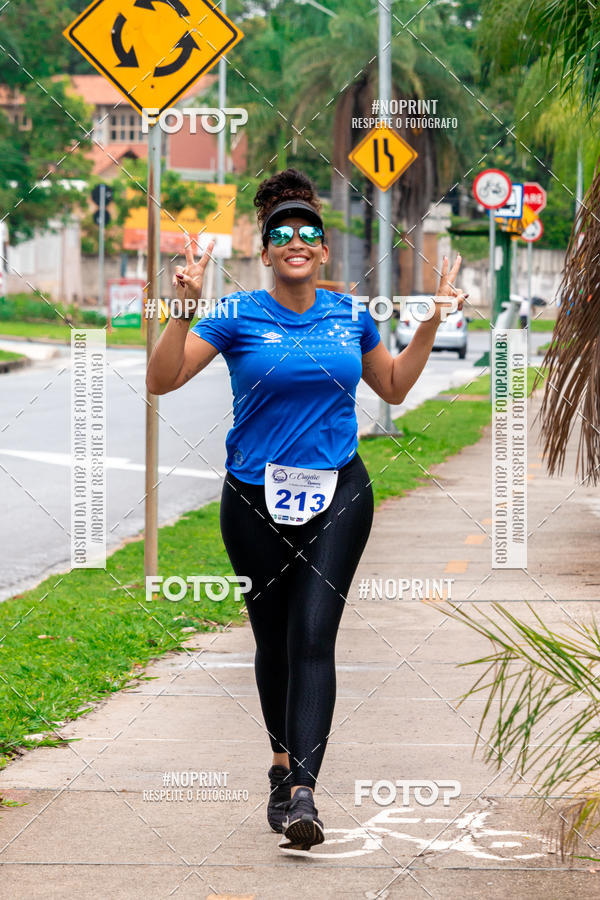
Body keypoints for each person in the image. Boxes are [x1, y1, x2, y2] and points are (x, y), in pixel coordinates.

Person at [146, 168, 466, 854]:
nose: (296, 241)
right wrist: (181, 307)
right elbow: (162, 380)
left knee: (314, 635)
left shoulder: (350, 316)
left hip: (339, 491)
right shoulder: (234, 316)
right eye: (281, 233)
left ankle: (303, 793)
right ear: (265, 251)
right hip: (253, 496)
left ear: (323, 250)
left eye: (308, 233)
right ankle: (281, 764)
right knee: (275, 639)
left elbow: (396, 388)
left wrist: (431, 322)